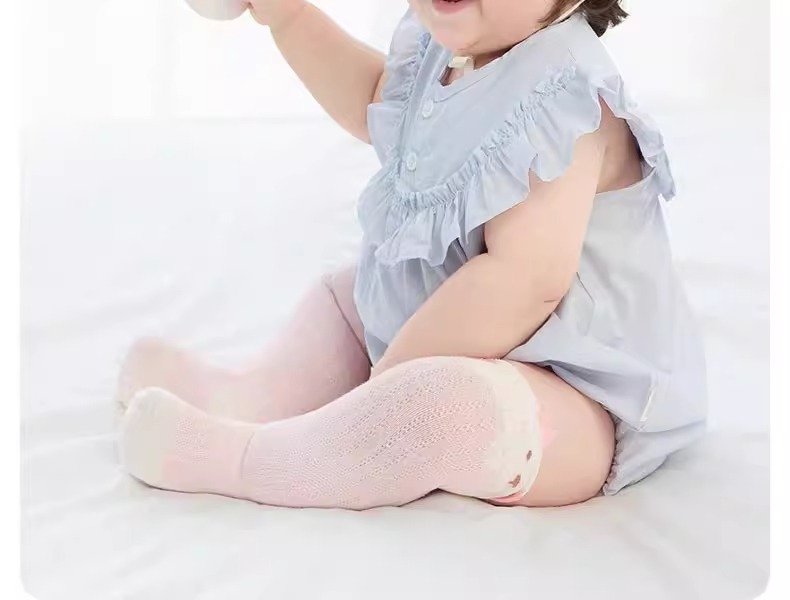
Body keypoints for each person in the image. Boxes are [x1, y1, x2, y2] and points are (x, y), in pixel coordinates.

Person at [116, 0, 707, 510]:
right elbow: (374, 104)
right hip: (461, 322)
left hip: (578, 396)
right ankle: (247, 399)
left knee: (441, 409)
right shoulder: (450, 45)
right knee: (351, 299)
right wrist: (289, 18)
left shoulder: (564, 97)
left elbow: (523, 283)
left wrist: (384, 385)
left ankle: (253, 462)